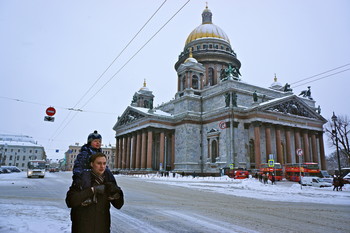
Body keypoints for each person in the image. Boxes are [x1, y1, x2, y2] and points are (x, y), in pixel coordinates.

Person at [66, 152, 124, 233]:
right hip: (82, 226)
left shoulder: (108, 180)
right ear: (91, 164)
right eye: (99, 163)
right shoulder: (82, 179)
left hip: (102, 226)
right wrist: (92, 190)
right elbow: (70, 201)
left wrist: (116, 194)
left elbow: (118, 205)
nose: (102, 166)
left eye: (104, 163)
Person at [72, 130, 116, 201]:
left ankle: (112, 192)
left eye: (99, 141)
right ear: (90, 142)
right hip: (86, 172)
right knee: (86, 175)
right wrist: (77, 175)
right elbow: (78, 165)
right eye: (95, 141)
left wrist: (105, 168)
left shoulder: (99, 152)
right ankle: (87, 197)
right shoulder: (85, 153)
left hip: (97, 172)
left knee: (108, 172)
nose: (98, 143)